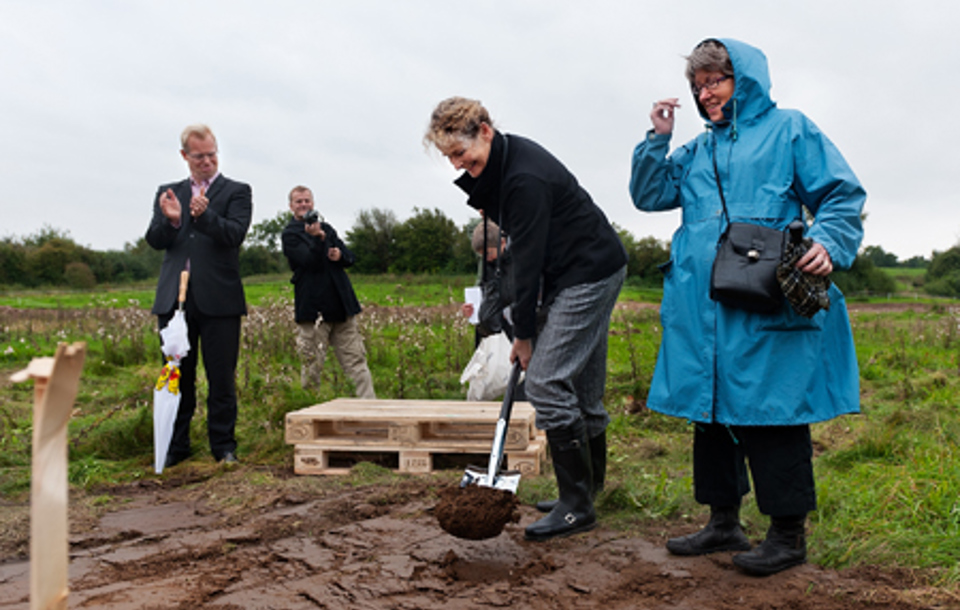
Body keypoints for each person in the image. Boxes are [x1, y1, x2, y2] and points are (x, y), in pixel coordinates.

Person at [629, 39, 865, 576]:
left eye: (715, 81)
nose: (705, 94)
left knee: (773, 413)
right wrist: (657, 140)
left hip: (766, 300)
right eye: (698, 86)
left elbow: (841, 194)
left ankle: (787, 535)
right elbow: (649, 195)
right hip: (701, 305)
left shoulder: (789, 129)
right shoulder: (697, 149)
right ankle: (723, 522)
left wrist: (829, 241)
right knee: (710, 412)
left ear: (745, 79)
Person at [425, 96, 628, 542]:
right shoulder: (503, 165)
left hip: (588, 273)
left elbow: (526, 262)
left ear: (484, 131)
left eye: (460, 153)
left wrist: (523, 333)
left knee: (546, 382)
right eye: (449, 158)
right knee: (581, 390)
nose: (457, 165)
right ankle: (585, 494)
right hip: (576, 270)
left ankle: (576, 507)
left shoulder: (523, 178)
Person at [146, 124, 252, 466]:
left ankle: (223, 446)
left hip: (220, 299)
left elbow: (234, 234)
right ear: (184, 156)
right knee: (178, 376)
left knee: (221, 378)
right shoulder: (169, 192)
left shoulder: (237, 191)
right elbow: (154, 239)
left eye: (212, 154)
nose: (207, 161)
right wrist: (173, 221)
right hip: (175, 301)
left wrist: (205, 216)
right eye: (199, 156)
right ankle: (176, 447)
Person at [281, 185, 375, 399]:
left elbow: (350, 258)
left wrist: (339, 255)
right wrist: (318, 239)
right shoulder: (290, 235)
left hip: (341, 305)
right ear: (291, 206)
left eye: (307, 200)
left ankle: (368, 407)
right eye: (298, 201)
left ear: (312, 203)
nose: (303, 204)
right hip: (314, 311)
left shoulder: (327, 228)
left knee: (356, 361)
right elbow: (308, 262)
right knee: (312, 366)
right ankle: (309, 409)